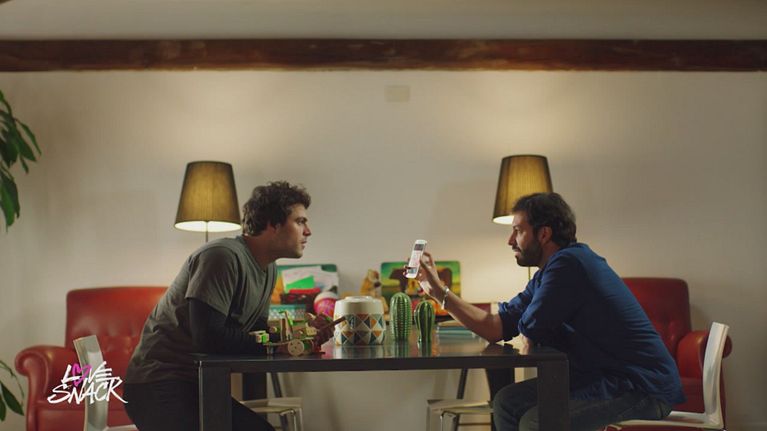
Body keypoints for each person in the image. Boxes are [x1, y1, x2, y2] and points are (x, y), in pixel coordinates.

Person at [416, 192, 685, 431]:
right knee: (507, 402)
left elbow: (531, 327)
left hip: (641, 387)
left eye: (518, 231)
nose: (510, 240)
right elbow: (497, 326)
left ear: (543, 234)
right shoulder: (548, 273)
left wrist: (529, 326)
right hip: (601, 379)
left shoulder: (570, 263)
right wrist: (438, 291)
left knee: (536, 423)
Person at [123, 181, 332, 431]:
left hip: (196, 385)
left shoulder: (268, 269)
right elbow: (208, 338)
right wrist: (279, 346)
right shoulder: (222, 256)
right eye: (299, 221)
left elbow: (257, 332)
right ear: (272, 225)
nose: (308, 231)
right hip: (158, 386)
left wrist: (303, 334)